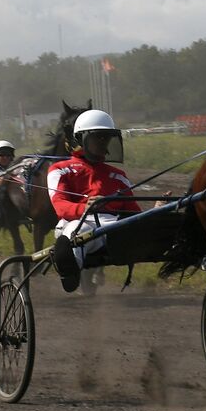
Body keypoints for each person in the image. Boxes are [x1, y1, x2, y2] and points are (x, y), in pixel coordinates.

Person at [46, 110, 141, 292]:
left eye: (106, 138)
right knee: (77, 232)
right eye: (97, 137)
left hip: (113, 227)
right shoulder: (60, 170)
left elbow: (133, 211)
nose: (103, 142)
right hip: (79, 222)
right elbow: (60, 205)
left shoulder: (118, 175)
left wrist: (155, 210)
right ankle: (70, 268)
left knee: (139, 226)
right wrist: (85, 207)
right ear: (82, 139)